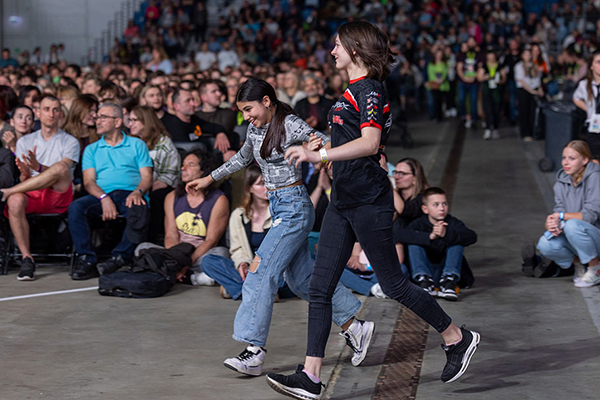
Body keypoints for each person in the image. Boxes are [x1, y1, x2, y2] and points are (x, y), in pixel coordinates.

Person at [267, 22, 480, 400]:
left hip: (368, 201)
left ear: (356, 48)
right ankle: (311, 376)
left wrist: (320, 154)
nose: (331, 52)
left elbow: (370, 142)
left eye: (336, 46)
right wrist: (327, 146)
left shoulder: (368, 90)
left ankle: (456, 337)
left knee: (394, 283)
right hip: (343, 199)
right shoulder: (350, 91)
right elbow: (357, 143)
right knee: (320, 287)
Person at [186, 78, 368, 378]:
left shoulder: (290, 124)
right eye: (242, 112)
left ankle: (254, 350)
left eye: (249, 109)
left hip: (294, 207)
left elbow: (323, 142)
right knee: (301, 280)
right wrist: (208, 179)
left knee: (260, 273)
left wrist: (316, 148)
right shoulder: (256, 128)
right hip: (279, 205)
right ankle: (355, 326)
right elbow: (244, 158)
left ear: (267, 101)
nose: (246, 117)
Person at [68, 103, 153, 280]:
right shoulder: (92, 149)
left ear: (117, 122)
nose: (97, 120)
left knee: (139, 209)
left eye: (103, 117)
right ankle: (86, 260)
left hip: (129, 193)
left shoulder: (137, 145)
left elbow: (147, 177)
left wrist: (138, 191)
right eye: (97, 117)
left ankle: (119, 257)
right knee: (76, 208)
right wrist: (103, 197)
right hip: (101, 194)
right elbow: (89, 182)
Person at [0, 95, 80, 281]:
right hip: (33, 193)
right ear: (37, 113)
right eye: (46, 109)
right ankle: (27, 258)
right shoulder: (25, 142)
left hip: (59, 193)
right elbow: (24, 179)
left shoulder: (70, 141)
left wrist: (39, 167)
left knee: (60, 168)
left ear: (61, 114)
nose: (51, 114)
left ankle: (6, 193)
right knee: (15, 200)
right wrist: (26, 171)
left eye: (55, 110)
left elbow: (62, 172)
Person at [136, 148, 229, 286]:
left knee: (221, 254)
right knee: (141, 249)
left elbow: (211, 241)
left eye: (190, 165)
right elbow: (171, 236)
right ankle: (193, 278)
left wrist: (185, 264)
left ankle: (172, 273)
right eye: (183, 164)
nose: (183, 168)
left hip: (199, 255)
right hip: (176, 253)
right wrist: (176, 260)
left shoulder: (219, 199)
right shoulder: (172, 197)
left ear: (203, 171)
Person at [534, 141, 600, 288]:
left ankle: (596, 268)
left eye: (572, 158)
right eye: (564, 158)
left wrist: (562, 216)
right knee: (545, 244)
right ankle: (579, 265)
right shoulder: (560, 183)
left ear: (584, 160)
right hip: (580, 239)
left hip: (596, 237)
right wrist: (552, 223)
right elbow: (559, 211)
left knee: (572, 225)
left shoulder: (595, 177)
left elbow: (590, 216)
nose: (566, 162)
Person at [407, 187, 477, 300]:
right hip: (426, 272)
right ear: (425, 209)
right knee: (414, 242)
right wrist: (430, 236)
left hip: (446, 271)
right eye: (436, 204)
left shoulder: (452, 222)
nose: (441, 208)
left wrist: (447, 234)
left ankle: (448, 281)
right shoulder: (418, 224)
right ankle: (424, 279)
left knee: (457, 240)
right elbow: (402, 235)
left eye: (444, 204)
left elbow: (472, 236)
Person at [129, 105, 180, 243]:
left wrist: (144, 189)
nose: (130, 124)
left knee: (155, 197)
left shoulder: (163, 142)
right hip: (131, 186)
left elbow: (168, 176)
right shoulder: (128, 142)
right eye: (129, 120)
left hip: (156, 186)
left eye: (134, 120)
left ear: (146, 122)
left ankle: (147, 241)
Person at [161, 88, 231, 159]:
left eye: (193, 100)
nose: (193, 104)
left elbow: (213, 127)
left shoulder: (194, 119)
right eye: (187, 101)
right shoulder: (172, 126)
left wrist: (221, 133)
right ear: (176, 106)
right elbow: (188, 154)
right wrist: (221, 157)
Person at [196, 79, 239, 147]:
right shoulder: (195, 116)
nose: (219, 94)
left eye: (219, 91)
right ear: (203, 97)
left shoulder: (228, 113)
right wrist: (219, 132)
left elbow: (226, 129)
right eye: (213, 91)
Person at [573, 51, 600, 156]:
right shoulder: (584, 84)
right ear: (591, 66)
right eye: (598, 62)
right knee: (593, 157)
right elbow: (576, 98)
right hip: (593, 125)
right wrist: (588, 109)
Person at [515, 47, 543, 141]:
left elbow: (537, 78)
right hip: (524, 91)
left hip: (533, 89)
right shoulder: (519, 66)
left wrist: (539, 89)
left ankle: (533, 132)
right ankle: (525, 133)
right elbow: (521, 81)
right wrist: (531, 91)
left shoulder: (534, 65)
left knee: (533, 112)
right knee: (524, 112)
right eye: (525, 54)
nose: (527, 56)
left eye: (529, 54)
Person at [477, 50, 506, 140]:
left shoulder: (500, 66)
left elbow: (504, 78)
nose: (491, 59)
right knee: (487, 109)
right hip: (487, 91)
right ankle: (488, 129)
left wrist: (500, 81)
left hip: (496, 91)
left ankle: (496, 128)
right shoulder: (484, 66)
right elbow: (479, 77)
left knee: (496, 110)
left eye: (492, 57)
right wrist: (485, 77)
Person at [456, 38, 482, 129]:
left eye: (472, 41)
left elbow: (480, 67)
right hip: (463, 81)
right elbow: (459, 68)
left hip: (474, 82)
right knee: (461, 99)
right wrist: (464, 78)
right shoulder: (462, 55)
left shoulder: (478, 55)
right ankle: (463, 115)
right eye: (469, 41)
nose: (471, 43)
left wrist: (474, 77)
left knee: (473, 100)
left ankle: (473, 119)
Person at [426, 48, 450, 123]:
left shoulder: (444, 64)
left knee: (441, 101)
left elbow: (445, 72)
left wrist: (442, 79)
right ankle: (436, 116)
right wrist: (435, 80)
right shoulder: (431, 64)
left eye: (441, 55)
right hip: (434, 85)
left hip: (442, 85)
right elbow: (430, 73)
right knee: (435, 101)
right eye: (438, 55)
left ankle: (441, 115)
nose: (439, 56)